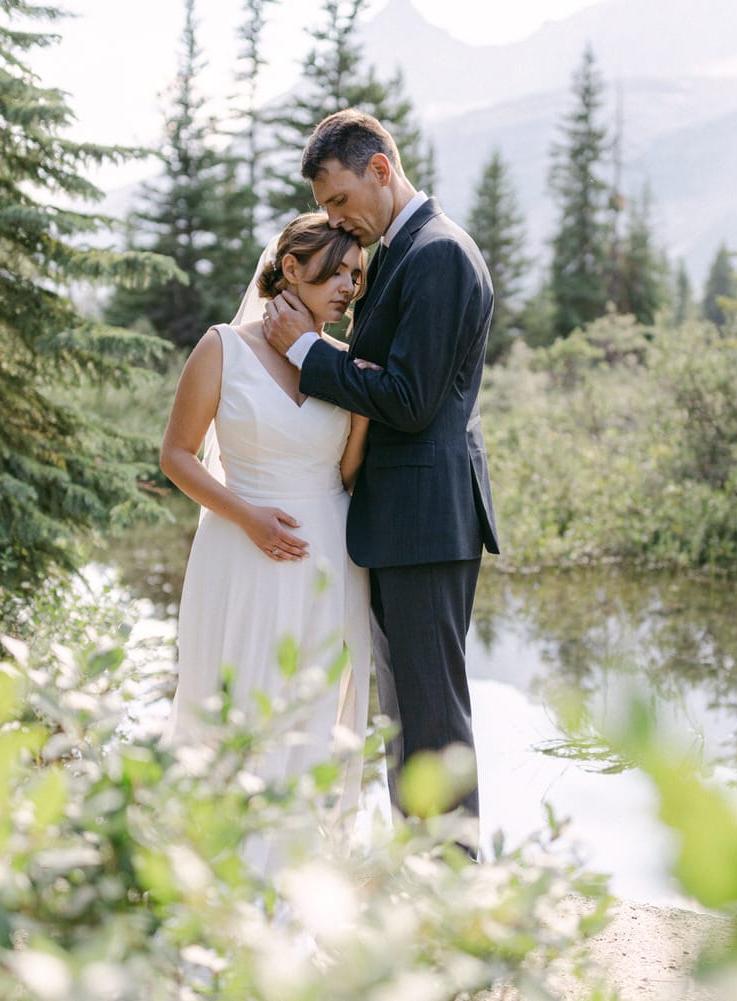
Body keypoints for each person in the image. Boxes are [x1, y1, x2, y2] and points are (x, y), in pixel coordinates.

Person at [263, 110, 499, 852]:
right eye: (325, 208)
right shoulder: (402, 253)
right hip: (407, 523)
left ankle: (461, 903)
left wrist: (307, 350)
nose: (335, 219)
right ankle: (426, 887)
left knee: (432, 723)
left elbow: (409, 396)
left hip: (427, 522)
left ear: (380, 170)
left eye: (338, 201)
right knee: (408, 719)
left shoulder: (437, 254)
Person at [159, 213, 374, 867]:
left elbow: (344, 471)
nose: (347, 287)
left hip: (330, 560)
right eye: (334, 271)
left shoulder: (346, 365)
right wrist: (247, 514)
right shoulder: (223, 347)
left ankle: (304, 867)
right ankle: (222, 862)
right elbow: (177, 455)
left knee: (317, 707)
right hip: (241, 556)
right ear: (289, 269)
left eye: (356, 276)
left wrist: (362, 404)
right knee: (241, 700)